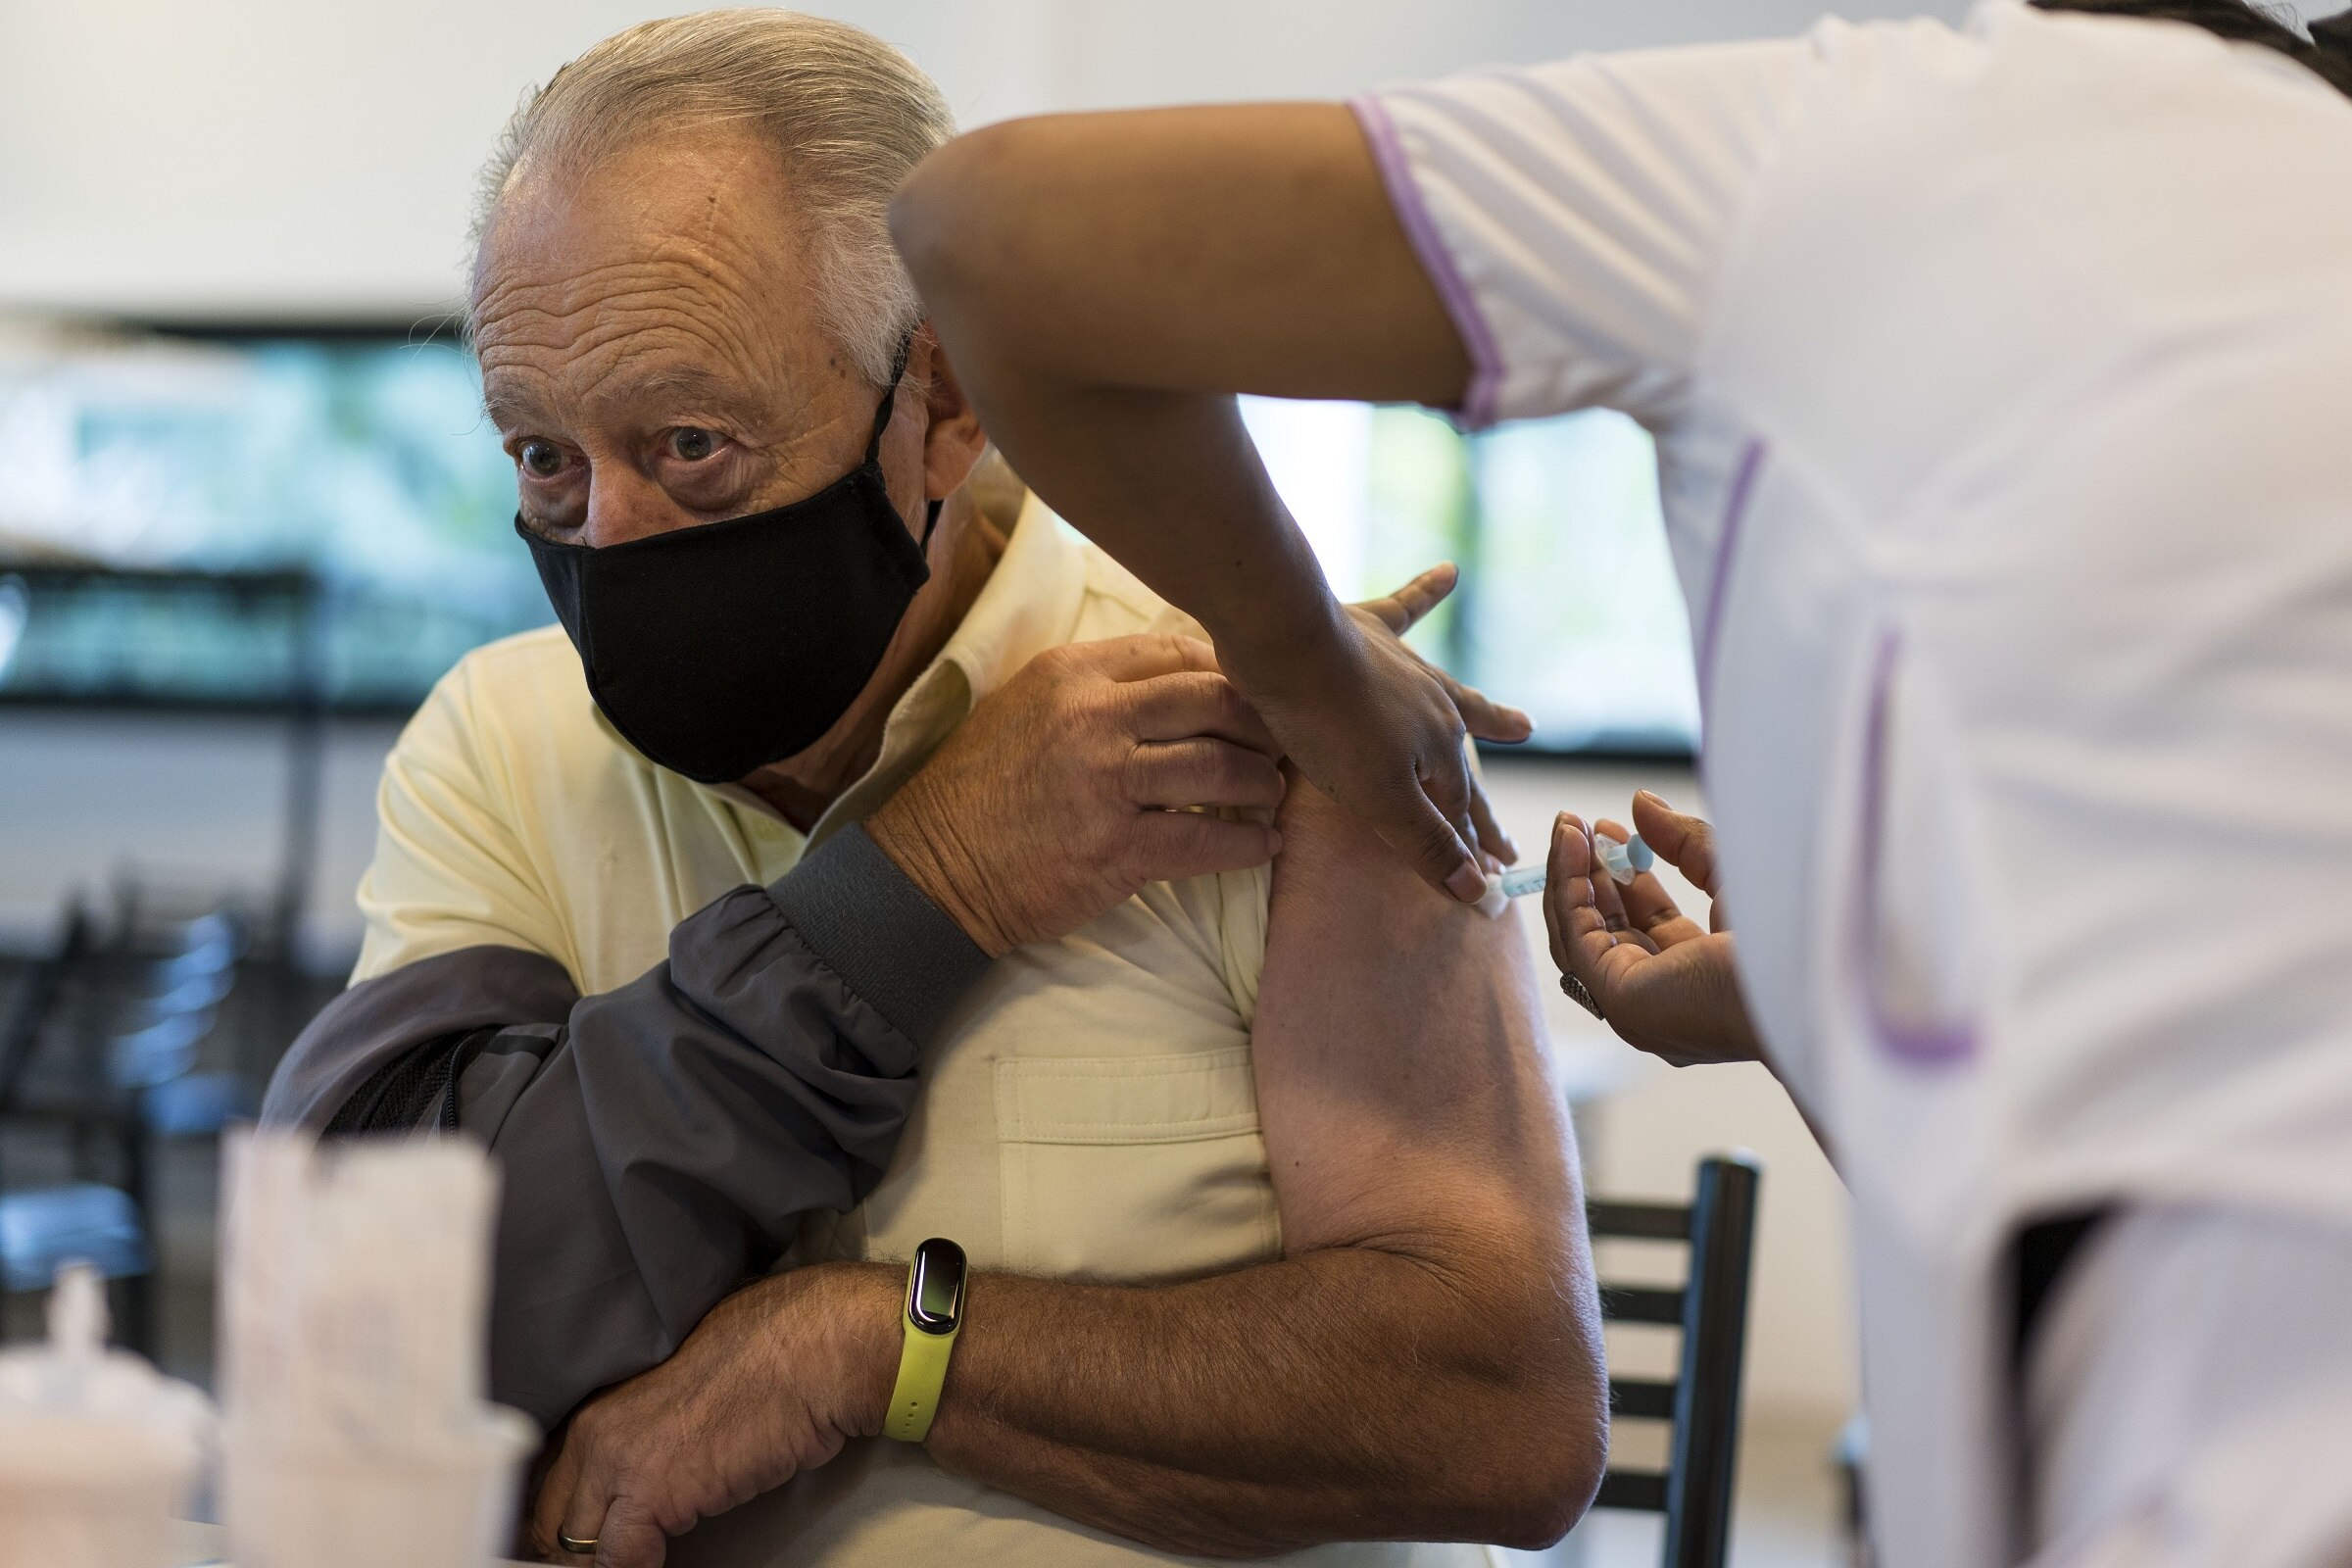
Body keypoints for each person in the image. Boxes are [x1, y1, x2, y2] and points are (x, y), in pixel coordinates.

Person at [890, 2, 2352, 1564]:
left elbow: (990, 232)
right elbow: (2116, 1154)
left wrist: (1318, 683)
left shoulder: (1876, 151)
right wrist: (1804, 1005)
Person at [266, 14, 1601, 1567]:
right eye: (545, 460)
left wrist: (870, 1354)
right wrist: (923, 881)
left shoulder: (1270, 730)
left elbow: (1501, 1416)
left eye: (692, 444)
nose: (610, 537)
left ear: (945, 407)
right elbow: (365, 1332)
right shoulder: (503, 743)